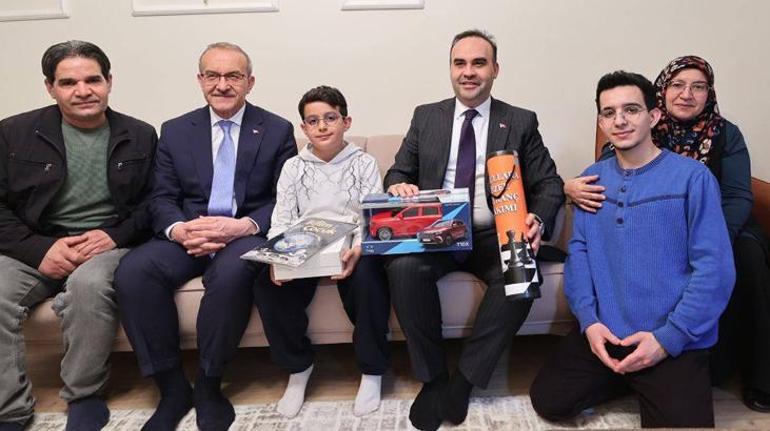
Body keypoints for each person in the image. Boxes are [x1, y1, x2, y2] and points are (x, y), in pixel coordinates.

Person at [564, 55, 770, 413]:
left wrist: (707, 233)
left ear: (651, 114)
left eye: (698, 87)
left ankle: (752, 375)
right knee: (552, 398)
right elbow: (585, 240)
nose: (687, 94)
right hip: (630, 290)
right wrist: (569, 188)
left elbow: (738, 197)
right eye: (677, 85)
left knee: (743, 260)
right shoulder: (607, 160)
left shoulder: (719, 142)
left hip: (720, 225)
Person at [529, 71, 735, 428]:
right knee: (549, 400)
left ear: (653, 116)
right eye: (609, 113)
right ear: (601, 122)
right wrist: (590, 324)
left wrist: (667, 339)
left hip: (670, 338)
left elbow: (715, 269)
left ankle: (649, 375)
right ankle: (628, 376)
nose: (619, 120)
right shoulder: (592, 180)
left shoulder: (693, 178)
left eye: (631, 110)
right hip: (608, 331)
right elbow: (580, 255)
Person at [383, 29, 564, 430]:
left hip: (494, 234)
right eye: (459, 63)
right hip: (438, 231)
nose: (468, 72)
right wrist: (398, 185)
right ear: (450, 69)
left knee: (521, 276)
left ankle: (463, 382)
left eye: (479, 63)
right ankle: (434, 379)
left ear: (495, 69)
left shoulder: (520, 120)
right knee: (403, 268)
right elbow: (398, 171)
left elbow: (550, 184)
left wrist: (538, 219)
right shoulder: (426, 116)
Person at [114, 42, 296, 431]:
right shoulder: (176, 130)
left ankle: (210, 384)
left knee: (232, 274)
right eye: (212, 75)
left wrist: (243, 226)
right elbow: (161, 196)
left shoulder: (277, 129)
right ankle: (171, 388)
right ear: (200, 80)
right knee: (134, 271)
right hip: (189, 231)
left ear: (250, 82)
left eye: (233, 76)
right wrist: (180, 230)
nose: (222, 85)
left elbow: (285, 197)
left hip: (243, 232)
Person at [0, 40, 157, 430]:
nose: (83, 91)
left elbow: (153, 204)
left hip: (105, 246)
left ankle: (83, 395)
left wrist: (113, 236)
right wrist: (41, 250)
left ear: (109, 82)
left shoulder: (140, 135)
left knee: (89, 287)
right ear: (50, 87)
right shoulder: (12, 133)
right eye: (69, 83)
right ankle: (10, 409)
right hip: (36, 245)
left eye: (93, 80)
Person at [253, 85, 390, 418]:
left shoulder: (364, 162)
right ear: (303, 128)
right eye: (313, 121)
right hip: (305, 246)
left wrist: (358, 248)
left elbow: (370, 215)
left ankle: (372, 371)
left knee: (370, 276)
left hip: (349, 246)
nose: (322, 126)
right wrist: (277, 255)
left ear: (346, 122)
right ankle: (298, 368)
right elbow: (282, 217)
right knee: (266, 283)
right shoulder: (293, 167)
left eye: (331, 118)